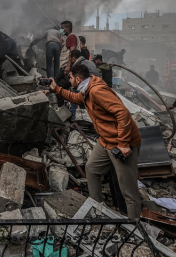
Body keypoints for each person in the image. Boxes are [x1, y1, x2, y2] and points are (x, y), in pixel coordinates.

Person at [48, 64, 143, 219]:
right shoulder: (86, 89)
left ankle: (134, 226)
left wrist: (124, 143)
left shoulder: (97, 91)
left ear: (78, 79)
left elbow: (122, 113)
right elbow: (74, 97)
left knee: (128, 189)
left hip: (121, 143)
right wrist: (56, 89)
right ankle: (96, 208)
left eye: (70, 77)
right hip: (105, 140)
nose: (69, 80)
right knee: (92, 169)